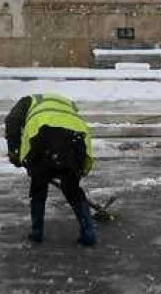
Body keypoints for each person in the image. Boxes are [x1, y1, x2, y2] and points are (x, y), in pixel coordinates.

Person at [5, 94, 97, 246]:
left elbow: (12, 121)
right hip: (75, 138)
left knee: (39, 186)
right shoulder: (67, 104)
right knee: (72, 188)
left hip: (44, 135)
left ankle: (36, 233)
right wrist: (79, 169)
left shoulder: (28, 100)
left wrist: (14, 152)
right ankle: (88, 232)